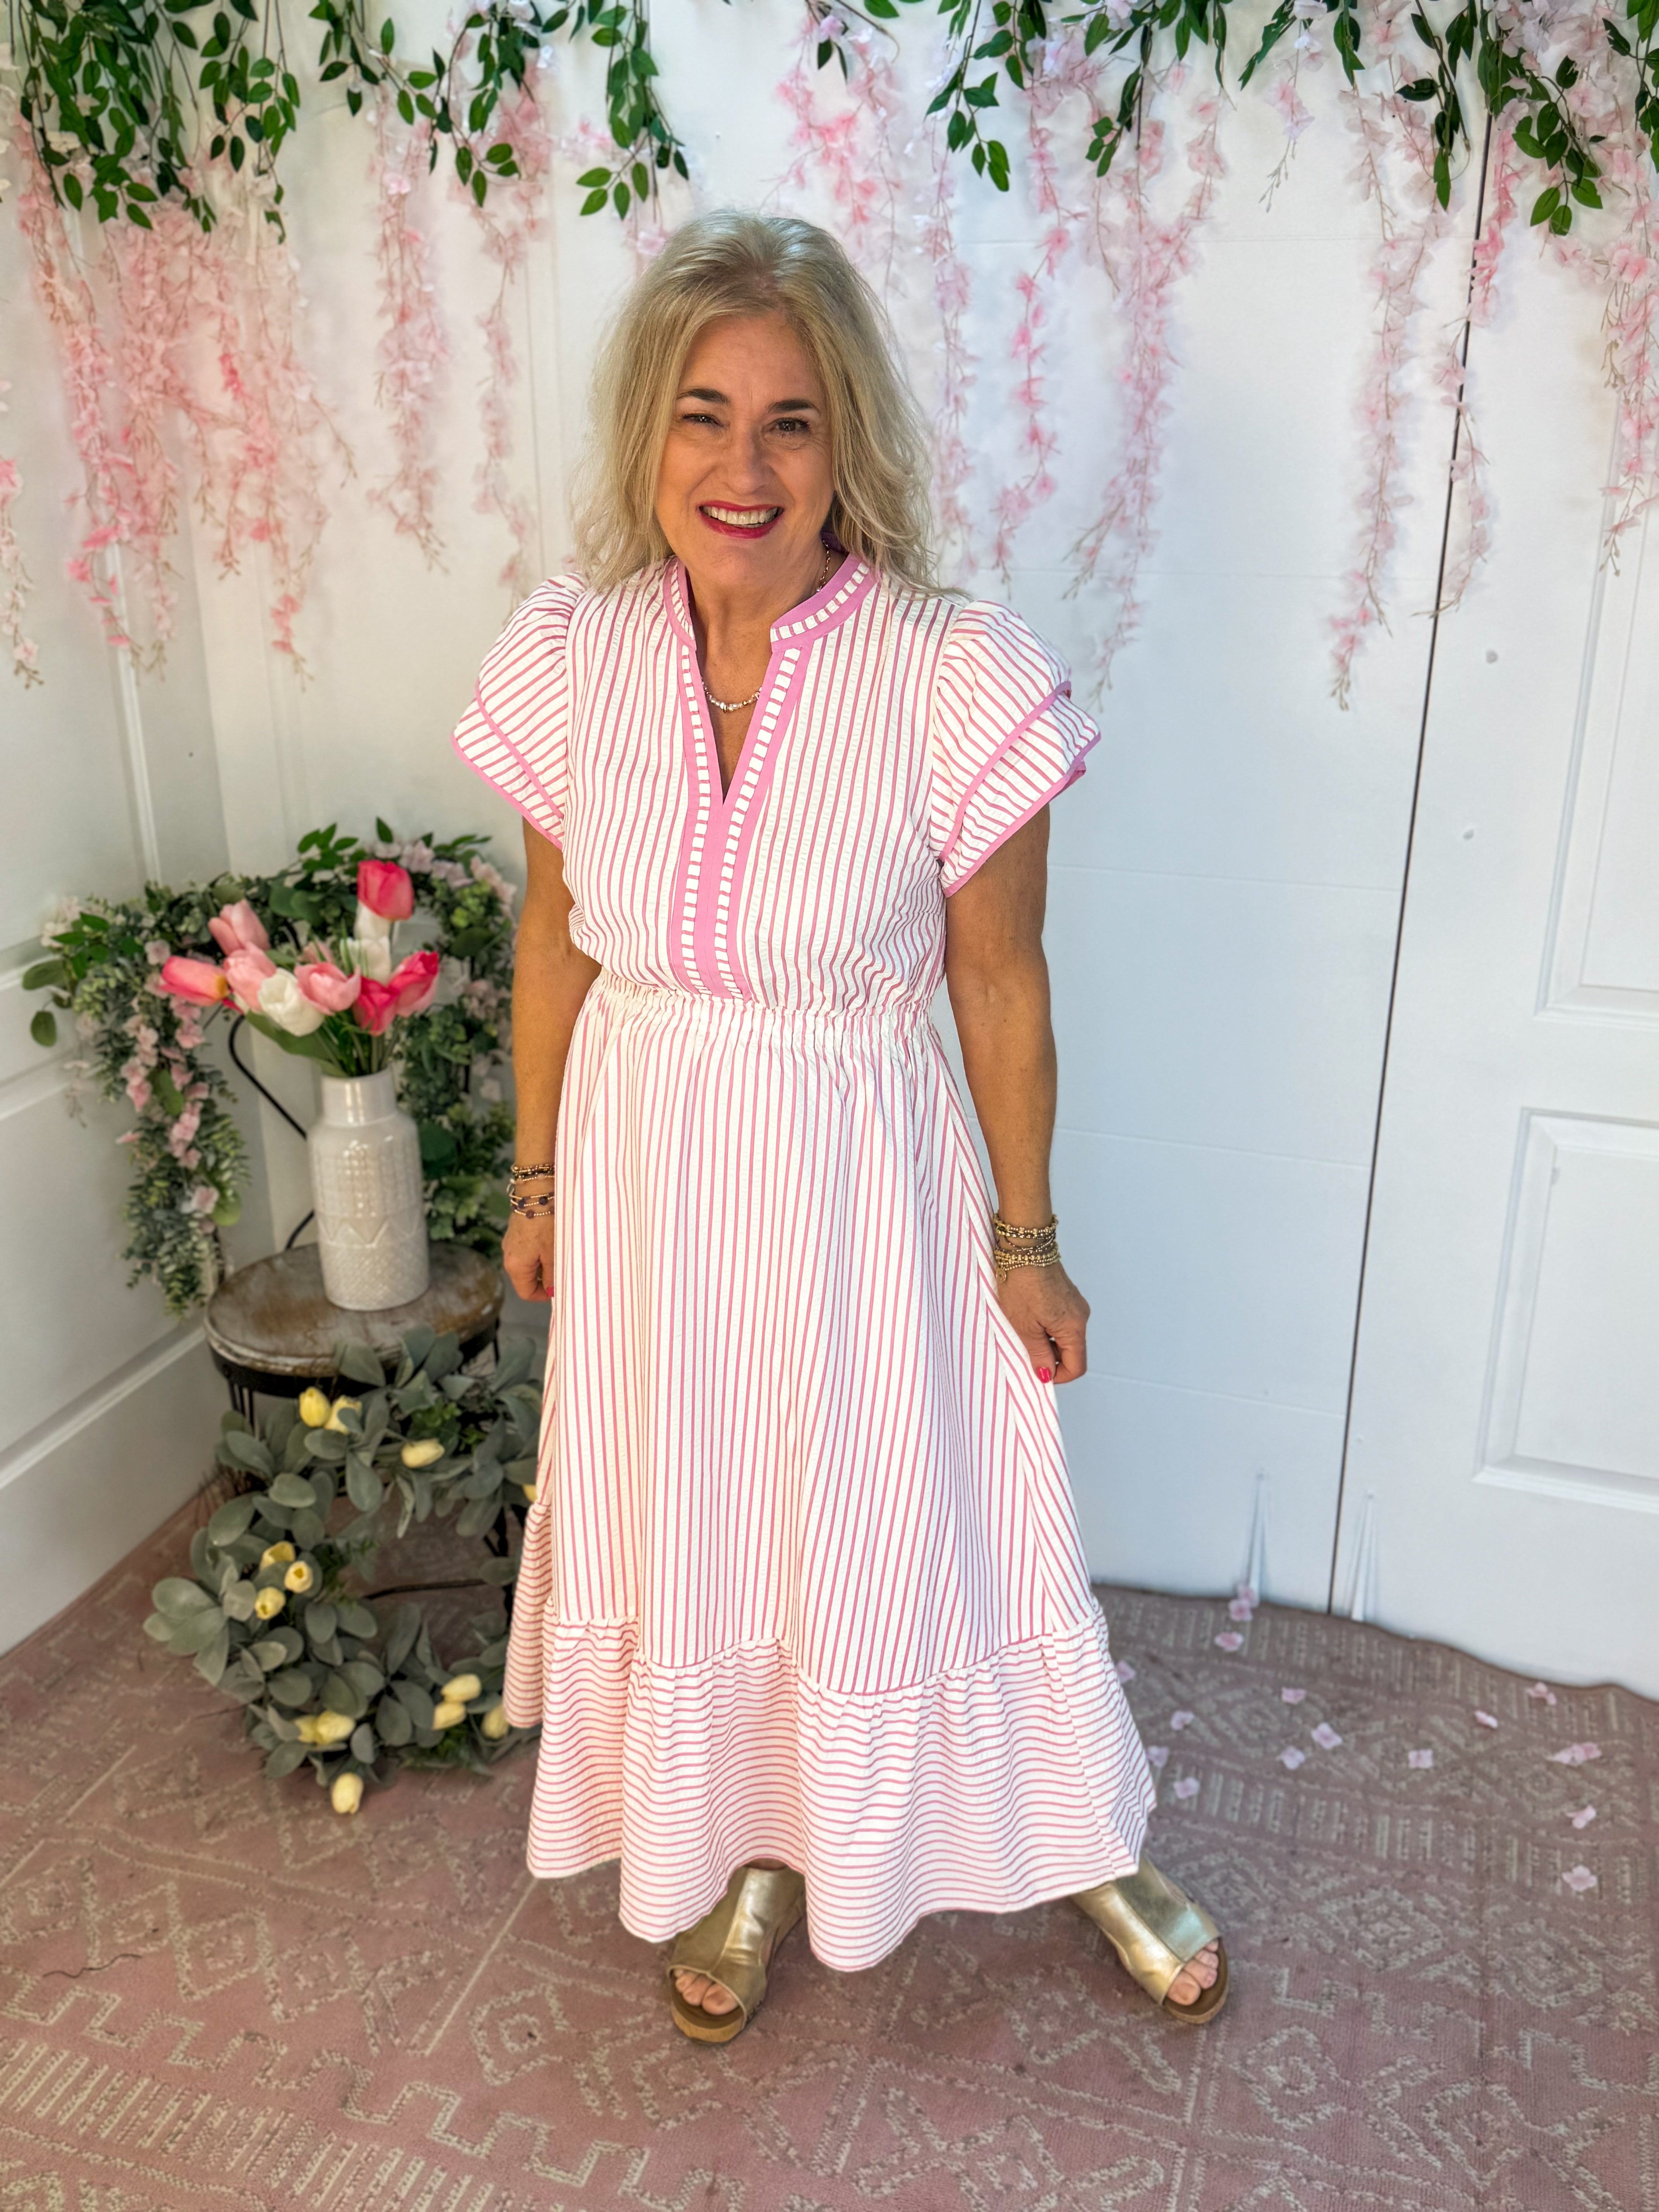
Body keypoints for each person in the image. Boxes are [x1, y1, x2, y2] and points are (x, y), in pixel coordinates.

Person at [451, 209, 1226, 2040]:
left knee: (929, 1523)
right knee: (710, 1527)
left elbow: (1002, 985)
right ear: (648, 435)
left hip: (859, 1175)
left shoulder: (951, 673)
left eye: (790, 422)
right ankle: (754, 1850)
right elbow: (552, 940)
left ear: (846, 443)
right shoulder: (572, 658)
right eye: (704, 415)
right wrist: (539, 1175)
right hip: (652, 1175)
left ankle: (1079, 1833)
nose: (745, 467)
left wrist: (1028, 1243)